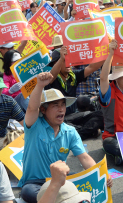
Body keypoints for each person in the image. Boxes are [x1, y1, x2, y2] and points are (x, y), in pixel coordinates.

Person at [18, 72, 112, 203]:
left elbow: (84, 157)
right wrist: (39, 85)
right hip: (35, 183)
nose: (61, 109)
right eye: (55, 105)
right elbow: (32, 108)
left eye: (62, 105)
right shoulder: (34, 125)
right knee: (27, 192)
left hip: (60, 179)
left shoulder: (70, 131)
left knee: (82, 185)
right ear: (43, 110)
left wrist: (102, 175)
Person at [47, 46, 104, 115]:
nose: (68, 63)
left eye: (69, 60)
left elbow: (92, 67)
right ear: (56, 63)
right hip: (59, 118)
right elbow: (51, 77)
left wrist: (106, 53)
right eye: (65, 61)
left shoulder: (73, 76)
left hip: (74, 116)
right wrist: (62, 58)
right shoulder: (52, 79)